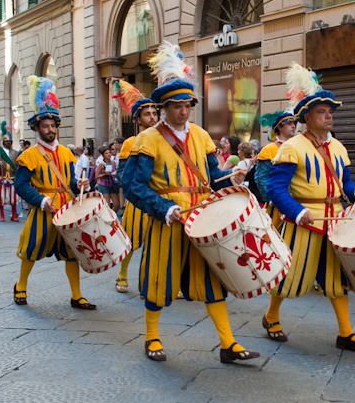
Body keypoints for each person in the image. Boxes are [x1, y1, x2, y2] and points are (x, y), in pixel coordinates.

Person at [122, 42, 258, 365]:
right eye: (177, 105)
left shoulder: (200, 135)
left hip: (202, 219)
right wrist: (162, 207)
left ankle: (228, 344)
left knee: (213, 280)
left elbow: (211, 174)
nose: (184, 111)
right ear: (164, 107)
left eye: (187, 104)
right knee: (159, 278)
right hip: (168, 221)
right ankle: (152, 337)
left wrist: (232, 177)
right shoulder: (147, 140)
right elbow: (131, 185)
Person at [262, 63, 355, 351]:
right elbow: (275, 188)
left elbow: (345, 182)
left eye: (330, 111)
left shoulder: (338, 147)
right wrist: (297, 212)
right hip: (305, 221)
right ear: (307, 117)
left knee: (337, 278)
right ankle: (271, 316)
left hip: (335, 219)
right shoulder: (291, 147)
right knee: (289, 275)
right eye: (322, 112)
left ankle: (346, 332)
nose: (329, 116)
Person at [13, 75, 92, 310]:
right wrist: (40, 200)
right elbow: (21, 185)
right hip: (44, 208)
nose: (50, 130)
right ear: (36, 128)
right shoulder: (28, 156)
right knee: (31, 248)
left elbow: (69, 182)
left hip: (67, 208)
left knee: (72, 252)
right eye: (45, 126)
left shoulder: (68, 154)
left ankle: (76, 295)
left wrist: (80, 185)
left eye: (52, 126)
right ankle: (21, 286)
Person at [111, 79, 159, 294]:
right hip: (138, 201)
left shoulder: (164, 140)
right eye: (147, 114)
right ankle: (122, 273)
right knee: (132, 240)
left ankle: (154, 278)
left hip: (160, 199)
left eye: (154, 113)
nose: (152, 117)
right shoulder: (130, 143)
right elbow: (122, 173)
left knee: (159, 242)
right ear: (138, 119)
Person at [255, 109, 296, 223]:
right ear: (279, 127)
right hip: (278, 206)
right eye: (289, 123)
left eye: (294, 123)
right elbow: (261, 178)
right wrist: (272, 198)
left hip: (298, 204)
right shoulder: (270, 149)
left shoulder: (298, 147)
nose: (293, 126)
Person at [0, 123, 20, 222]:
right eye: (6, 141)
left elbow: (18, 163)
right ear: (3, 142)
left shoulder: (15, 152)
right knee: (1, 196)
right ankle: (2, 215)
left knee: (13, 198)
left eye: (9, 141)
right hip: (2, 175)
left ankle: (14, 215)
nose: (8, 143)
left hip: (12, 176)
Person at [93, 147, 120, 213]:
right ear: (103, 155)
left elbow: (115, 171)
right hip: (103, 184)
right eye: (106, 153)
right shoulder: (101, 164)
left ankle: (112, 215)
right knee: (107, 204)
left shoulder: (113, 162)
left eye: (109, 152)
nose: (108, 154)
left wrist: (114, 173)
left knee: (116, 204)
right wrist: (104, 174)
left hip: (112, 183)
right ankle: (108, 217)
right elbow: (96, 176)